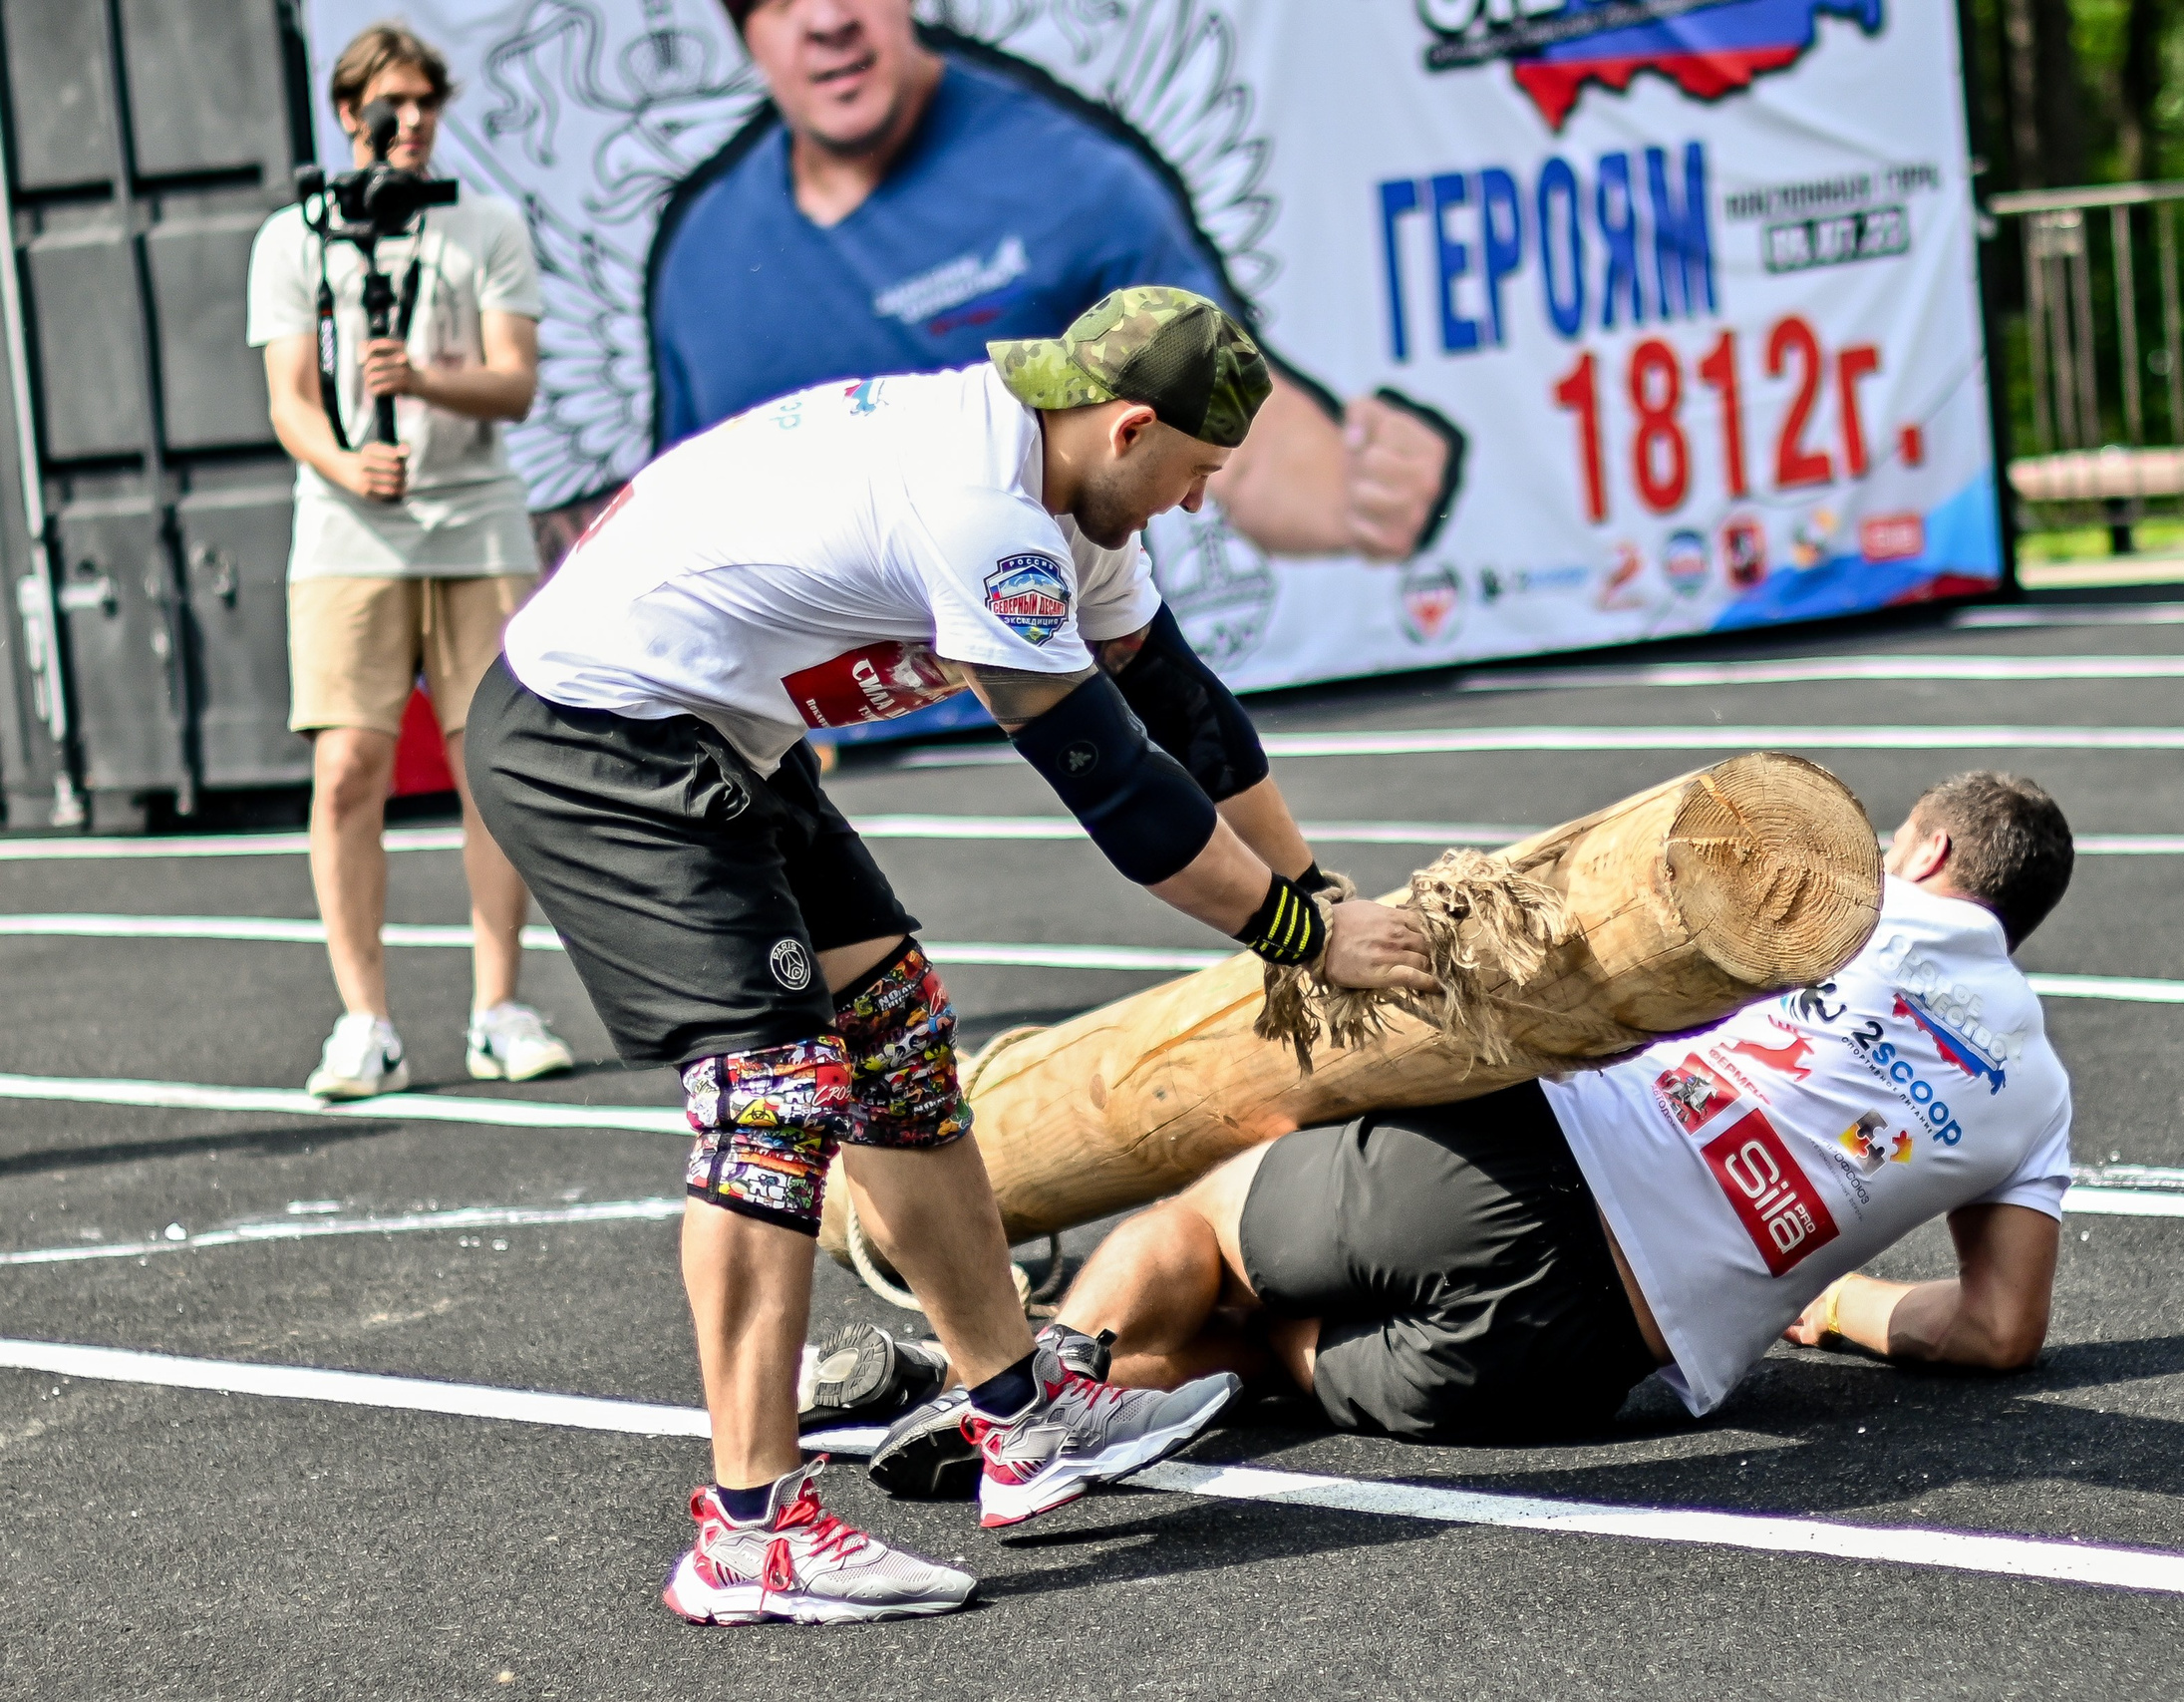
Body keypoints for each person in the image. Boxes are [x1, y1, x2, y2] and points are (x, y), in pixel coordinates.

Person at [468, 286, 1442, 1623]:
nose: (1199, 505)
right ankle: (747, 1532)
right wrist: (1305, 937)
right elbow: (1115, 785)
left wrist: (1322, 887)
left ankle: (1021, 1415)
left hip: (717, 731)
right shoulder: (984, 511)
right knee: (775, 1097)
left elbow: (1186, 720)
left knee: (895, 1047)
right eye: (1197, 474)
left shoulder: (1069, 492)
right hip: (597, 731)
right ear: (1129, 427)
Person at [1033, 772, 2075, 1444]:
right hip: (1572, 1364)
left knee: (1203, 1226)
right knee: (1263, 1350)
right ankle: (1032, 1391)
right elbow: (1996, 1331)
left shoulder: (1833, 902)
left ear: (1928, 854)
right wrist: (1839, 1302)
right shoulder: (2036, 1095)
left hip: (1516, 1167)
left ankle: (1014, 1401)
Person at [642, 0, 1453, 563]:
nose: (826, 21)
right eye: (782, 3)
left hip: (1046, 712)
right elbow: (681, 521)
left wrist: (1348, 492)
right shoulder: (698, 259)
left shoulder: (1068, 176)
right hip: (812, 755)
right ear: (745, 32)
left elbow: (1231, 423)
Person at [250, 21, 574, 1100]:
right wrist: (348, 464)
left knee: (492, 763)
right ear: (348, 114)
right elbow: (291, 401)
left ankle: (500, 1008)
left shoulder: (485, 225)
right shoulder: (294, 239)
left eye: (427, 103)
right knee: (346, 766)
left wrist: (424, 380)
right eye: (392, 104)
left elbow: (515, 382)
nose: (413, 123)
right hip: (346, 532)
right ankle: (365, 1024)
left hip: (475, 520)